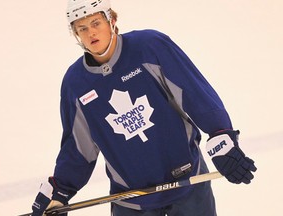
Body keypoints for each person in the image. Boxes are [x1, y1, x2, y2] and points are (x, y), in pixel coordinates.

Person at [31, 0, 257, 215]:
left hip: (187, 183)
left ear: (111, 20)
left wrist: (220, 134)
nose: (91, 33)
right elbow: (78, 147)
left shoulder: (150, 47)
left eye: (95, 23)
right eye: (82, 28)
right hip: (130, 199)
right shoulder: (76, 83)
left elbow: (195, 93)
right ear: (76, 35)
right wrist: (60, 189)